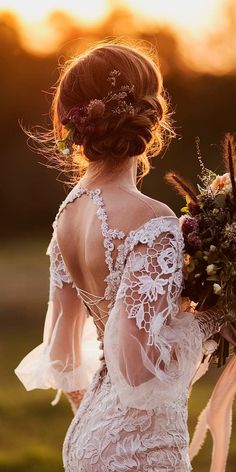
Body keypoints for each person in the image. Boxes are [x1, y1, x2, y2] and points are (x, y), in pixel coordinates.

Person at [15, 42, 227, 472]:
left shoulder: (67, 214)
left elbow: (62, 350)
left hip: (88, 435)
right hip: (141, 448)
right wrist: (214, 317)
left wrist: (97, 424)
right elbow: (135, 366)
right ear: (154, 113)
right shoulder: (153, 218)